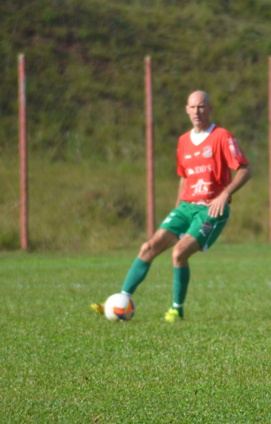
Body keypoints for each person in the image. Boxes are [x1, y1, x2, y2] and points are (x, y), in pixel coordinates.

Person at [92, 90, 251, 321]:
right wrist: (177, 208)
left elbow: (245, 170)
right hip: (185, 207)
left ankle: (177, 309)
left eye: (201, 106)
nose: (197, 111)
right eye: (192, 107)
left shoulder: (222, 136)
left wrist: (224, 194)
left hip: (211, 209)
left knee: (178, 254)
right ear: (186, 110)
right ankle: (120, 301)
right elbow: (184, 178)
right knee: (148, 247)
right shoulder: (183, 141)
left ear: (210, 109)